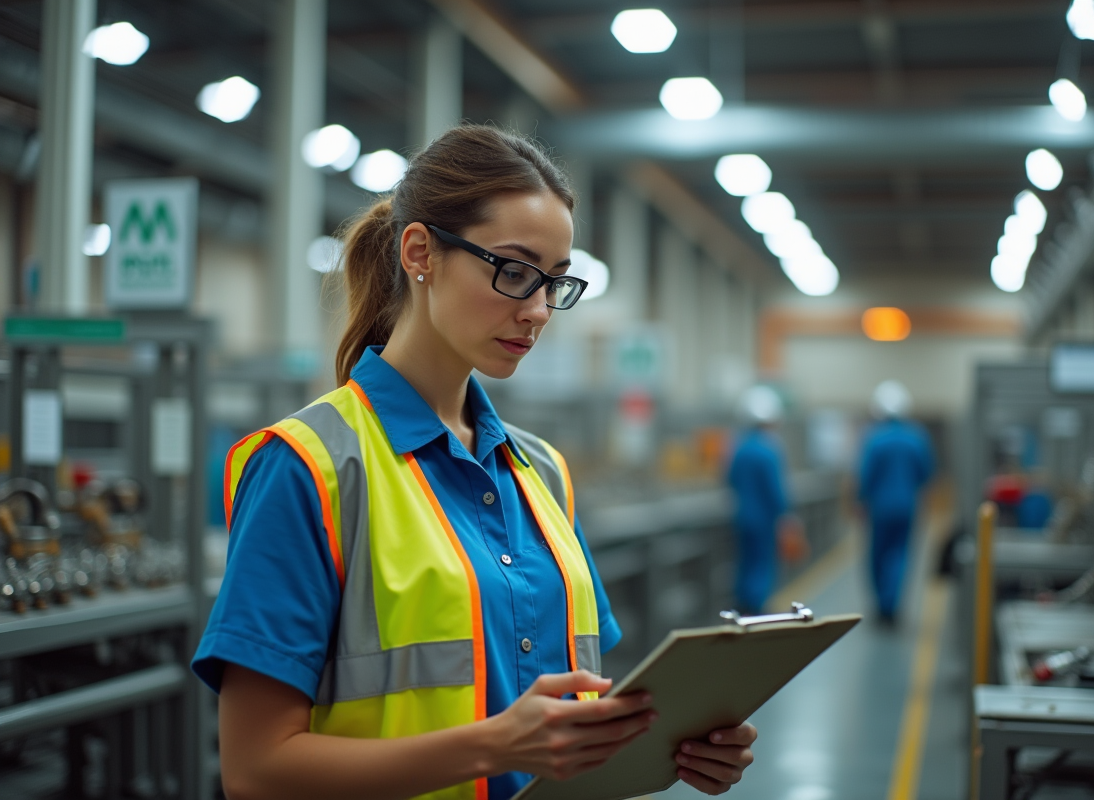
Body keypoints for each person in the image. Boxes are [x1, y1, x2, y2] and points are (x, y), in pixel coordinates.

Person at [192, 125, 755, 800]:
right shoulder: (309, 469)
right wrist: (491, 746)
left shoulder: (540, 471)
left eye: (556, 283)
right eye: (515, 272)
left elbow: (562, 729)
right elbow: (256, 771)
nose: (540, 310)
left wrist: (674, 746)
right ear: (421, 251)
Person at [857, 380, 935, 624]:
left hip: (879, 508)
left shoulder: (874, 439)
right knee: (899, 556)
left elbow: (865, 476)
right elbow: (926, 473)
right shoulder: (916, 437)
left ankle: (881, 606)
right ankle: (892, 606)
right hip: (907, 507)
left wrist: (860, 500)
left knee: (877, 556)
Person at [727, 386, 805, 615]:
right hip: (765, 518)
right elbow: (776, 490)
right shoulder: (770, 449)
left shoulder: (740, 448)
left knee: (745, 561)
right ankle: (756, 605)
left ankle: (743, 601)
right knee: (763, 561)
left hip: (743, 516)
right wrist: (787, 515)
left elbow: (730, 479)